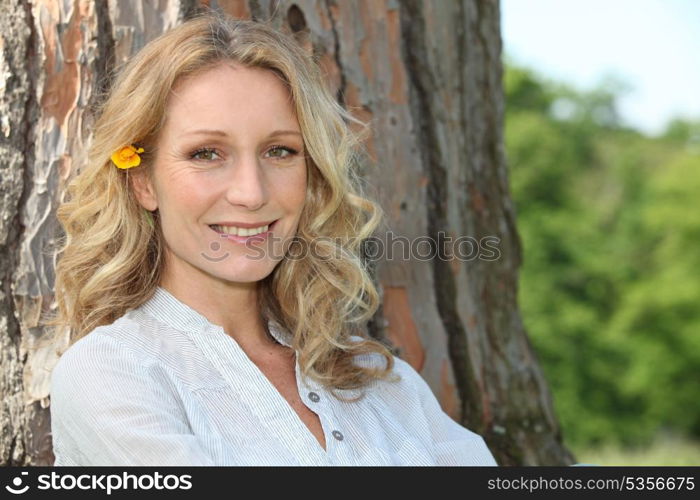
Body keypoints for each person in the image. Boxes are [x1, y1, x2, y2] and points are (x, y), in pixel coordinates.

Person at [44, 9, 498, 466]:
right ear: (143, 182)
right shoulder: (113, 373)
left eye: (279, 151)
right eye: (207, 153)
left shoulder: (382, 381)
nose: (251, 192)